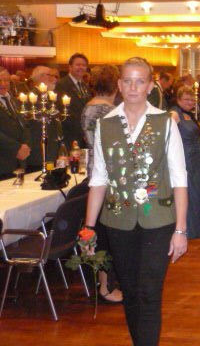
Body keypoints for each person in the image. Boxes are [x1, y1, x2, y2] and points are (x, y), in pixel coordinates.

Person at [84, 57, 188, 346]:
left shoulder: (165, 122)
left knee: (149, 292)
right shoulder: (105, 125)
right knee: (130, 291)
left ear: (150, 86)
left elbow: (179, 179)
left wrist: (181, 229)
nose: (133, 87)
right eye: (128, 81)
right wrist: (89, 228)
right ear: (119, 85)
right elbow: (99, 178)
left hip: (159, 220)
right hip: (118, 221)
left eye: (140, 81)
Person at [80, 64, 123, 304]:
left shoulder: (88, 107)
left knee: (101, 229)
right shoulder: (110, 111)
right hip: (108, 176)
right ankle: (106, 286)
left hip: (95, 172)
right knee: (106, 233)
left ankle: (104, 283)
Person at [169, 86, 200, 239]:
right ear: (178, 99)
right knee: (189, 192)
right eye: (186, 99)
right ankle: (188, 228)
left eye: (192, 99)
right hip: (185, 159)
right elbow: (167, 136)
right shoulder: (174, 113)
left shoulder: (188, 114)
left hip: (195, 159)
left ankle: (199, 225)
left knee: (197, 191)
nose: (190, 102)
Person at [0, 67, 31, 179]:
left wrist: (25, 145)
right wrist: (16, 148)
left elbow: (25, 125)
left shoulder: (15, 101)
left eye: (6, 80)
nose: (3, 84)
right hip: (3, 161)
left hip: (19, 162)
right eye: (0, 80)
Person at [56, 52, 90, 149]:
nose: (81, 67)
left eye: (84, 65)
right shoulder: (62, 84)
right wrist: (83, 131)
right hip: (70, 135)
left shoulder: (84, 85)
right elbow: (63, 111)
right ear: (70, 67)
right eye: (78, 65)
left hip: (83, 135)